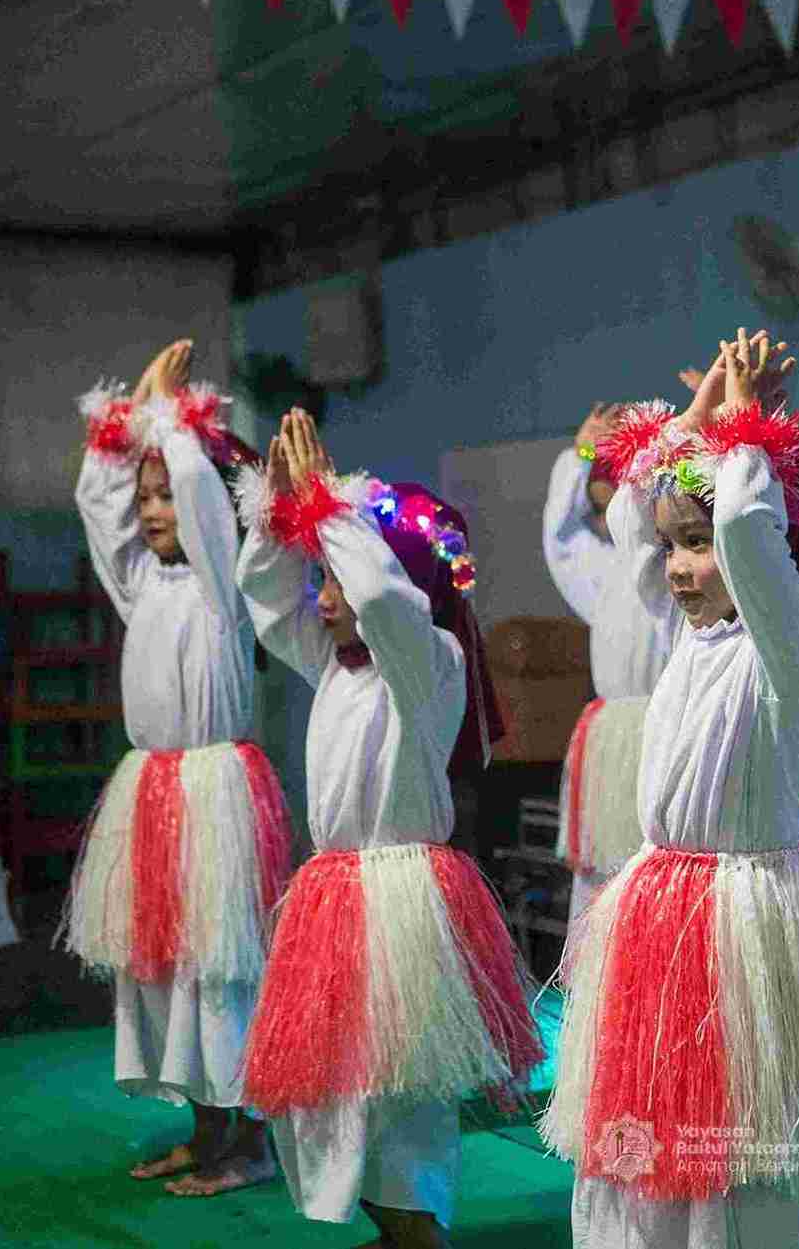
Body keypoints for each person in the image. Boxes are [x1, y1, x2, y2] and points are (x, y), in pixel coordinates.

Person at [540, 331, 799, 1248]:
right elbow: (632, 522)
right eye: (674, 548)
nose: (677, 567)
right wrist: (699, 424)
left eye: (692, 547)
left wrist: (745, 436)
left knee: (739, 1176)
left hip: (742, 920)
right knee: (643, 1162)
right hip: (667, 908)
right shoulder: (691, 625)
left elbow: (738, 532)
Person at [236, 410, 542, 1249]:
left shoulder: (428, 659)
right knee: (337, 1085)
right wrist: (281, 510)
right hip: (336, 892)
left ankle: (418, 1236)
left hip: (399, 895)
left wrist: (333, 506)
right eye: (321, 578)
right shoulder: (333, 660)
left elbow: (379, 597)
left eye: (331, 577)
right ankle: (392, 1226)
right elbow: (266, 598)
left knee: (403, 1089)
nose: (322, 597)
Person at [62, 339, 290, 1196]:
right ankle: (205, 1130)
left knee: (220, 965)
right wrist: (125, 437)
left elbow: (202, 495)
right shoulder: (139, 584)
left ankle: (252, 1141)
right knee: (162, 967)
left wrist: (168, 418)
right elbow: (97, 507)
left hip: (215, 793)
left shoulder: (226, 587)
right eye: (146, 496)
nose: (153, 510)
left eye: (165, 496)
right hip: (151, 788)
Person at [543, 401, 678, 919]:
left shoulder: (684, 568)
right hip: (612, 744)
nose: (607, 523)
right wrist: (580, 455)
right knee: (602, 889)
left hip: (667, 734)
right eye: (599, 511)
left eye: (615, 505)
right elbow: (561, 537)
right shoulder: (603, 571)